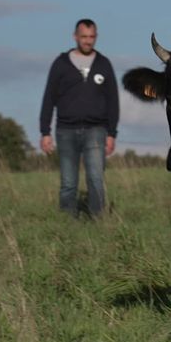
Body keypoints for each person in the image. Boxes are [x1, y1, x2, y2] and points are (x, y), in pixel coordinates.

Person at [39, 18, 119, 218]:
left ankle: (98, 220)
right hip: (66, 130)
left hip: (96, 130)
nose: (88, 41)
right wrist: (45, 132)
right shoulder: (61, 64)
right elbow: (49, 97)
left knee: (95, 178)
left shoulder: (104, 64)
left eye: (92, 37)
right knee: (68, 182)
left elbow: (113, 101)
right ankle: (68, 222)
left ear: (96, 37)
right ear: (75, 37)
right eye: (84, 37)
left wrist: (112, 133)